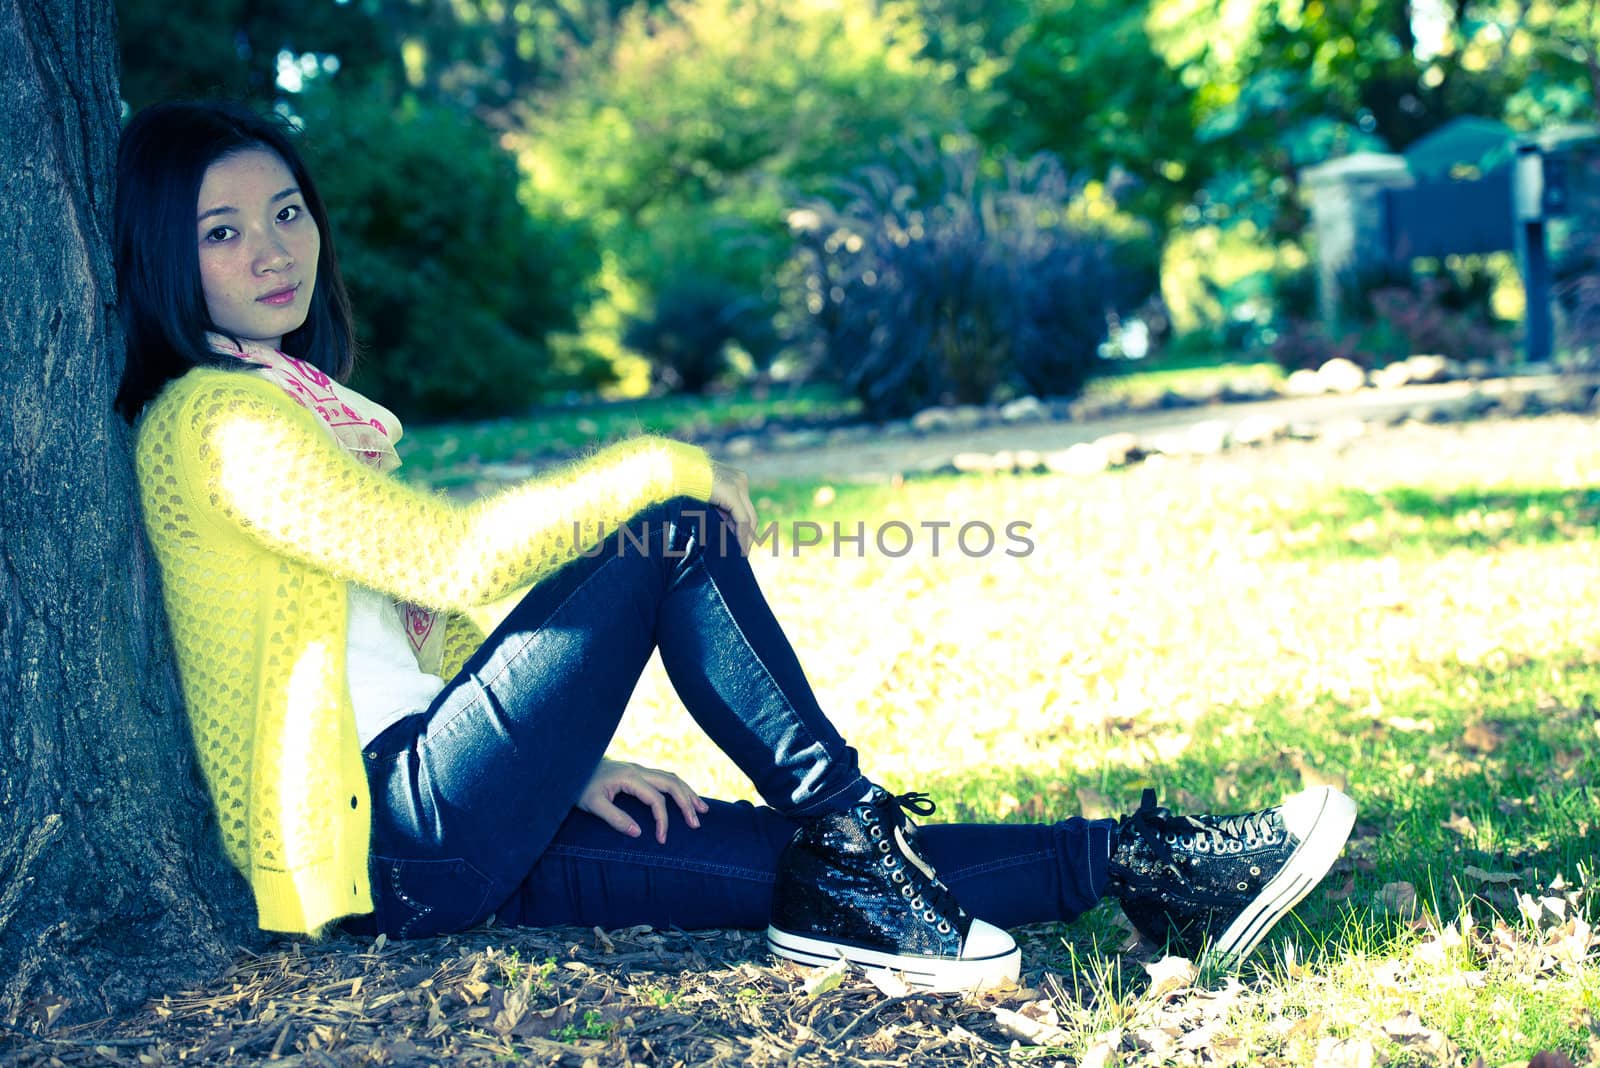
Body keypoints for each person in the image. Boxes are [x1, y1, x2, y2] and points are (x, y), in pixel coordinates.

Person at [114, 99, 1357, 993]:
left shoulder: (290, 410)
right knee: (666, 534)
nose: (272, 248)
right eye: (222, 232)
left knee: (785, 866)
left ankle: (1144, 865)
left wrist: (571, 763)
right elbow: (451, 566)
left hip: (443, 825)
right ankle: (850, 827)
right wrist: (659, 466)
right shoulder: (216, 420)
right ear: (167, 256)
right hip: (392, 835)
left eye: (284, 211)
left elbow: (368, 658)